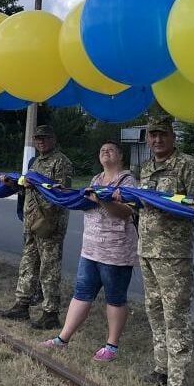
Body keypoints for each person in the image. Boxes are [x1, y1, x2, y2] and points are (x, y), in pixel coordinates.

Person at [135, 115, 194, 386]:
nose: (156, 140)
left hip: (174, 255)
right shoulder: (145, 168)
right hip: (148, 251)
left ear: (172, 137)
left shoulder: (186, 165)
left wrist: (169, 202)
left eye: (162, 135)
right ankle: (161, 369)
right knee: (154, 312)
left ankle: (177, 383)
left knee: (175, 316)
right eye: (152, 135)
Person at [41, 140, 138, 363]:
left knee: (115, 298)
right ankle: (62, 339)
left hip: (116, 251)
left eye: (110, 149)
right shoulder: (95, 179)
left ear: (120, 155)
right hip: (91, 250)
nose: (105, 152)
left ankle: (111, 346)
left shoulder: (127, 180)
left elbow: (126, 212)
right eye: (102, 149)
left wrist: (102, 201)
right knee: (81, 293)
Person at [0, 124, 74, 331]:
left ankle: (50, 313)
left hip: (49, 223)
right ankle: (22, 304)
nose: (41, 142)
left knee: (49, 268)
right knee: (28, 264)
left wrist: (37, 186)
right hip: (31, 221)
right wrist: (13, 184)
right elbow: (26, 185)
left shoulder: (61, 162)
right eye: (38, 139)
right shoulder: (36, 162)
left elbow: (62, 192)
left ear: (53, 139)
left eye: (45, 138)